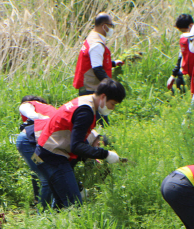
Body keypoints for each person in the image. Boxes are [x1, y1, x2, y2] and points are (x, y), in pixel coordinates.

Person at [35, 78, 126, 208]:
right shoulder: (86, 111)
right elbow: (76, 146)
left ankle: (55, 226)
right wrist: (105, 154)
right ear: (103, 97)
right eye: (113, 103)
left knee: (61, 204)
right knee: (74, 204)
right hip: (52, 156)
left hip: (44, 152)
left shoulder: (85, 102)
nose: (112, 108)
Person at [73, 12, 123, 124]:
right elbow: (97, 69)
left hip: (87, 83)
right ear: (104, 26)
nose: (112, 29)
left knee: (93, 118)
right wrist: (111, 85)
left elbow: (95, 61)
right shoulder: (97, 44)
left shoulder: (92, 36)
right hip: (91, 86)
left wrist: (113, 63)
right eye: (111, 26)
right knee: (96, 119)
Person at [15, 95, 58, 208]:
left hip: (28, 144)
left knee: (44, 172)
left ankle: (45, 206)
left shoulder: (41, 109)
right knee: (46, 177)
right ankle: (43, 212)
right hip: (28, 145)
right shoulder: (47, 110)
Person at [168, 14, 194, 93]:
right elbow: (181, 57)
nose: (183, 33)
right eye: (181, 31)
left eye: (184, 31)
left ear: (191, 26)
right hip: (183, 74)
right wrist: (173, 75)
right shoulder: (182, 38)